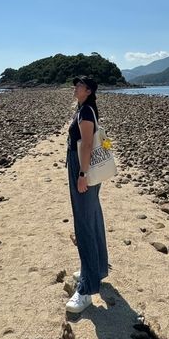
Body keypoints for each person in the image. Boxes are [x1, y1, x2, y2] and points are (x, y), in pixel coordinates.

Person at [64, 75, 109, 314]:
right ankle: (96, 268)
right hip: (87, 170)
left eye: (79, 85)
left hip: (83, 170)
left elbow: (88, 145)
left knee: (84, 225)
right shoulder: (85, 109)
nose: (75, 88)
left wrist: (81, 174)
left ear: (88, 90)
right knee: (93, 218)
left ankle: (87, 288)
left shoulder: (86, 112)